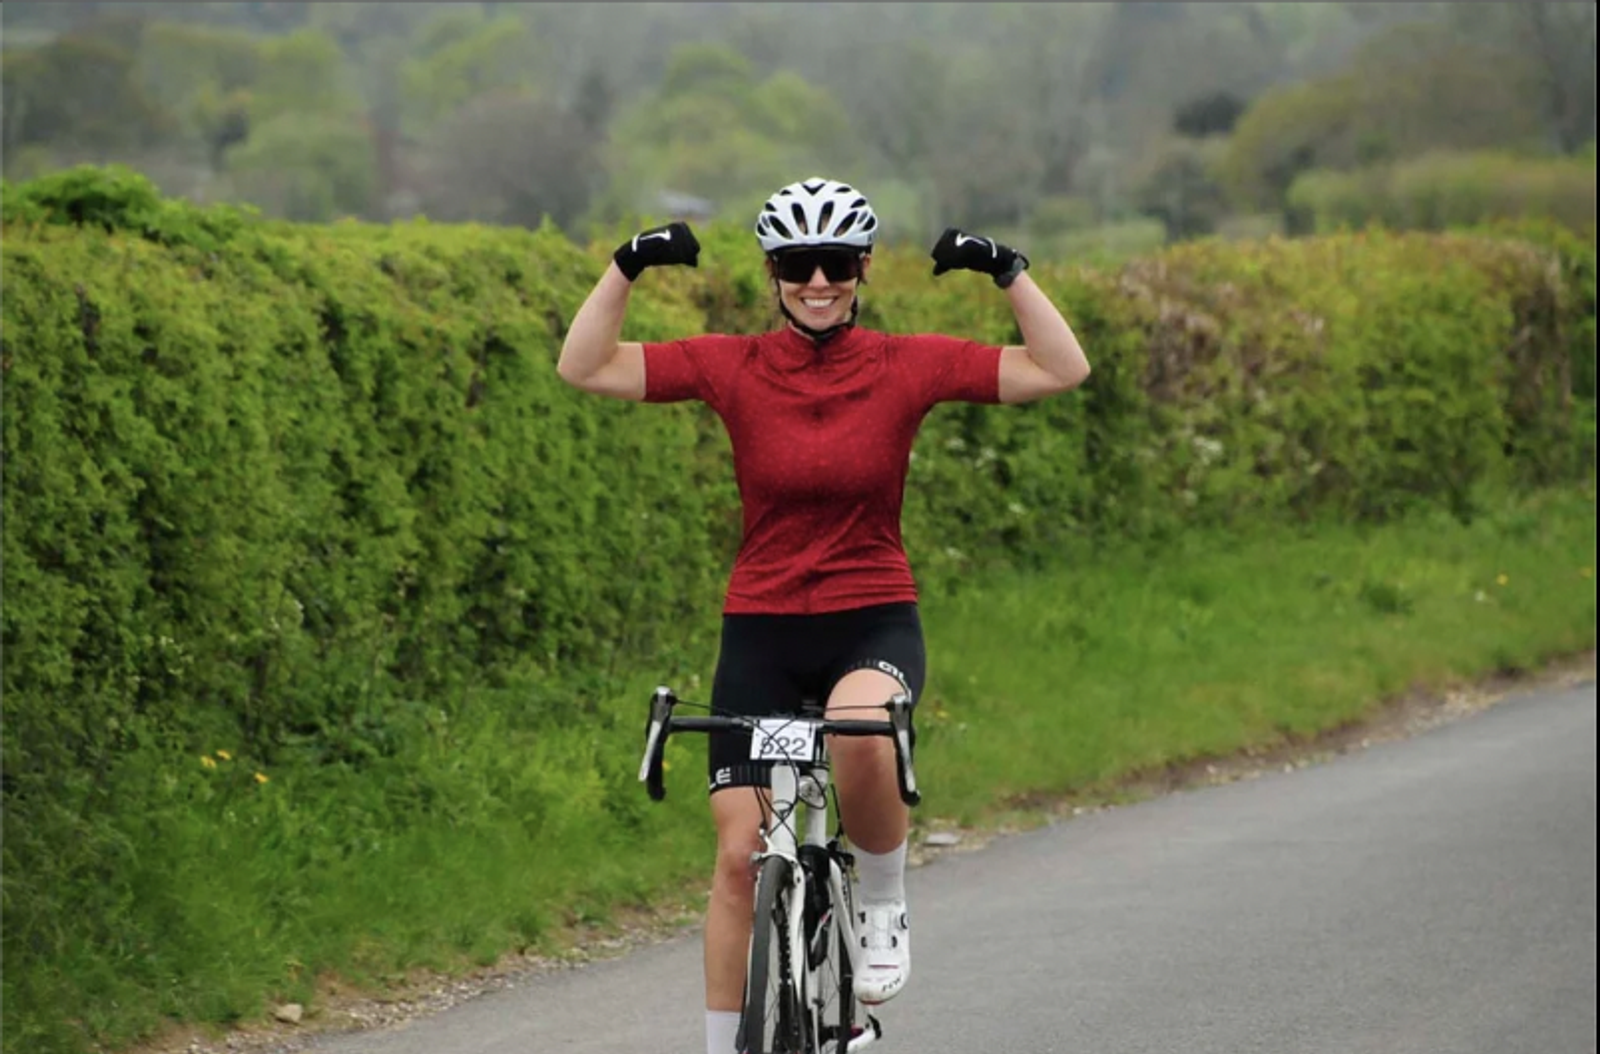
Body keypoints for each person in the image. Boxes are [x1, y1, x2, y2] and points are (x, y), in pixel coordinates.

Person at [557, 176, 1090, 1054]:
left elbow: (1061, 369)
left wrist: (1009, 273)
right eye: (799, 264)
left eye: (835, 263)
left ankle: (880, 899)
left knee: (856, 725)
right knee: (736, 861)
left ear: (862, 268)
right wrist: (626, 265)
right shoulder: (732, 364)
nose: (818, 281)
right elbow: (585, 366)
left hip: (870, 618)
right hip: (760, 631)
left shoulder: (904, 363)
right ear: (773, 272)